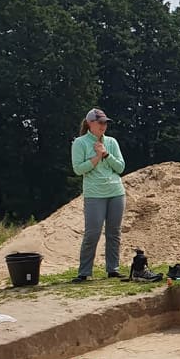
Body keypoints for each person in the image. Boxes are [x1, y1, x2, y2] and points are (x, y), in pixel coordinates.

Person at [71, 108, 127, 283]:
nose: (104, 126)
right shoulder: (80, 143)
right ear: (90, 123)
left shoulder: (111, 142)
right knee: (92, 233)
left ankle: (113, 269)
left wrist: (106, 154)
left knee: (114, 233)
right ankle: (84, 271)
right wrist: (96, 157)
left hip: (116, 192)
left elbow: (120, 167)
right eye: (100, 122)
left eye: (105, 123)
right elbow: (78, 169)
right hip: (94, 194)